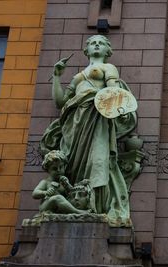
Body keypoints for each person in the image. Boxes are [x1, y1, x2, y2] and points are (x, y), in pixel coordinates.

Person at [40, 35, 137, 227]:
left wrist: (117, 108)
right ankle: (75, 203)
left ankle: (96, 206)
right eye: (93, 43)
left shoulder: (108, 68)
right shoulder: (78, 76)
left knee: (97, 161)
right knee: (72, 165)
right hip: (74, 123)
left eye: (101, 43)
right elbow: (61, 102)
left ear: (108, 50)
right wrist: (57, 76)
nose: (97, 45)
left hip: (96, 119)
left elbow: (113, 93)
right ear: (86, 50)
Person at [33, 150, 90, 214]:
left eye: (61, 167)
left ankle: (74, 210)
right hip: (47, 206)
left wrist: (68, 185)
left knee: (73, 199)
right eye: (54, 168)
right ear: (48, 170)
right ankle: (78, 212)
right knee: (58, 198)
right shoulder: (46, 182)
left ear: (64, 166)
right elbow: (35, 193)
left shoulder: (63, 181)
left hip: (60, 207)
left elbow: (71, 192)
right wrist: (45, 192)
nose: (58, 170)